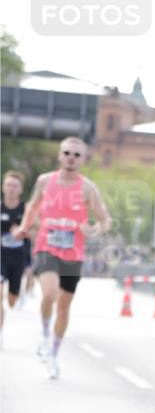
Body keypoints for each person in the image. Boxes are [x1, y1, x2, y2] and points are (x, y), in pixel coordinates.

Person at [14, 136, 112, 379]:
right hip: (47, 247)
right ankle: (45, 335)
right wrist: (24, 227)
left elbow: (104, 220)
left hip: (73, 253)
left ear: (83, 160)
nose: (71, 158)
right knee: (49, 293)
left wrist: (94, 230)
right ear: (59, 155)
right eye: (67, 153)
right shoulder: (45, 181)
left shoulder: (88, 188)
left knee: (65, 307)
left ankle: (54, 353)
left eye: (76, 155)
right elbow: (33, 207)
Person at [1, 171, 28, 346]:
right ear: (3, 187)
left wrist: (22, 232)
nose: (11, 189)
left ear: (20, 190)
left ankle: (17, 294)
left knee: (11, 300)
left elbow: (36, 230)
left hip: (18, 257)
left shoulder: (26, 210)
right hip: (0, 256)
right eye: (8, 185)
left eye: (14, 186)